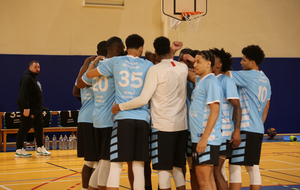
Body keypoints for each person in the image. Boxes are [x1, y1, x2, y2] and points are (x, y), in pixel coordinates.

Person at [112, 36, 187, 190]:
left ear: (155, 52)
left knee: (163, 170)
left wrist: (120, 106)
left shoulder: (154, 69)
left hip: (162, 126)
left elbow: (143, 99)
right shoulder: (182, 67)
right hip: (181, 125)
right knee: (178, 169)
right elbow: (170, 61)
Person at [86, 34, 153, 190]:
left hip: (122, 118)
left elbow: (89, 76)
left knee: (116, 165)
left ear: (126, 47)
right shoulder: (148, 65)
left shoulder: (116, 61)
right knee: (138, 167)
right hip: (143, 118)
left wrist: (92, 64)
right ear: (141, 48)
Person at [227, 45, 271, 190]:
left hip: (244, 128)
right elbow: (266, 107)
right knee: (253, 168)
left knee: (235, 167)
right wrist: (258, 123)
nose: (241, 62)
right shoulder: (266, 79)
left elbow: (225, 74)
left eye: (244, 60)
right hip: (258, 129)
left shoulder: (249, 75)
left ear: (253, 62)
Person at [73, 40, 107, 190]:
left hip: (84, 117)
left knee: (90, 162)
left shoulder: (86, 67)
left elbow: (75, 91)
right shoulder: (105, 67)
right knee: (100, 162)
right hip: (97, 118)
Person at [186, 50, 223, 190]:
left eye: (198, 62)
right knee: (208, 180)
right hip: (200, 138)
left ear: (209, 64)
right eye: (194, 61)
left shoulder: (211, 82)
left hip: (206, 139)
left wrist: (204, 138)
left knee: (204, 180)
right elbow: (189, 74)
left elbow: (215, 110)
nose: (195, 64)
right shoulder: (202, 80)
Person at [209, 48, 242, 190]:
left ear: (219, 64)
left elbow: (237, 107)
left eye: (214, 58)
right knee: (211, 172)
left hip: (223, 133)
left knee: (216, 171)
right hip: (211, 132)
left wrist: (237, 130)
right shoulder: (208, 79)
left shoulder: (226, 81)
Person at [15, 60, 51, 157]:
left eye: (39, 67)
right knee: (24, 127)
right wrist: (26, 107)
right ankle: (19, 149)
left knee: (39, 127)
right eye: (35, 67)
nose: (38, 69)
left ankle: (40, 147)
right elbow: (23, 94)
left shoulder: (34, 78)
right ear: (30, 68)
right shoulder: (27, 78)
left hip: (37, 108)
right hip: (29, 108)